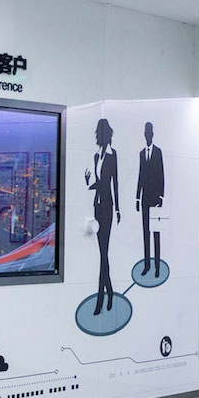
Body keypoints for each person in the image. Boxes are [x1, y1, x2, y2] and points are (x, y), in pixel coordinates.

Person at [84, 119, 120, 315]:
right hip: (97, 206)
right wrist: (87, 181)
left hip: (108, 207)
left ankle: (100, 299)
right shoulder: (96, 156)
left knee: (103, 252)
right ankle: (110, 292)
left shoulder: (113, 156)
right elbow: (98, 183)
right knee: (102, 253)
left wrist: (118, 209)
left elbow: (115, 183)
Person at [135, 122, 166, 270]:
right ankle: (147, 265)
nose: (147, 136)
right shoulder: (142, 153)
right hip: (145, 198)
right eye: (145, 133)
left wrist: (161, 197)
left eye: (149, 133)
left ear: (152, 134)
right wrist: (137, 197)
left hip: (155, 198)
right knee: (145, 231)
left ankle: (157, 266)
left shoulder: (158, 152)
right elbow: (140, 175)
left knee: (156, 232)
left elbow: (161, 174)